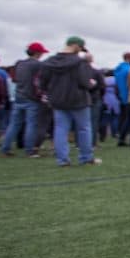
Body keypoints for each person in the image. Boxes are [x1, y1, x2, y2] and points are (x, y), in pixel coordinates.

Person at [39, 36, 101, 166]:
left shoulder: (49, 62)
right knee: (84, 129)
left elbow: (43, 82)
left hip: (58, 100)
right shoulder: (80, 62)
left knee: (60, 129)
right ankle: (86, 158)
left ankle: (62, 160)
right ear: (76, 46)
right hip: (79, 100)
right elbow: (85, 82)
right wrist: (92, 83)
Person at [0, 41, 49, 157]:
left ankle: (5, 148)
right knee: (31, 124)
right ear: (37, 53)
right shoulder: (38, 65)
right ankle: (30, 150)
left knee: (14, 124)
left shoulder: (19, 63)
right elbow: (40, 81)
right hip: (31, 98)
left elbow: (14, 79)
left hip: (19, 97)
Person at [114, 51, 130, 146]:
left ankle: (120, 136)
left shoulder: (118, 70)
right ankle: (124, 138)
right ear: (129, 59)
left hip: (121, 97)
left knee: (123, 118)